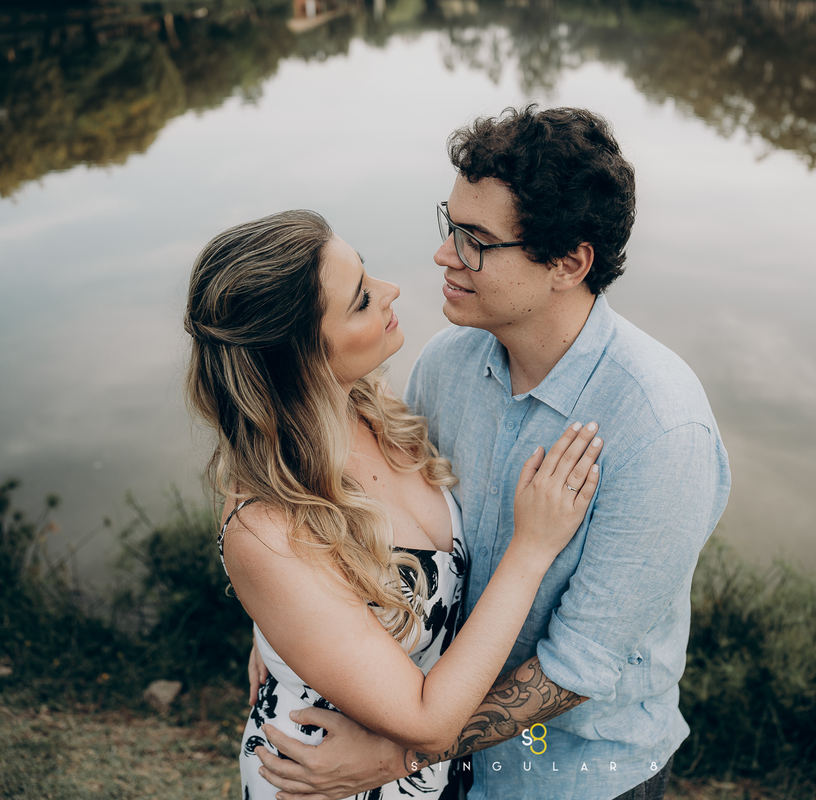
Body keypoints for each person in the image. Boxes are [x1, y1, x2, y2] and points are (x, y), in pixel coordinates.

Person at [251, 106, 732, 800]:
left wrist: (397, 755)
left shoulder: (662, 430)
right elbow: (373, 513)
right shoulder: (446, 363)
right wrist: (285, 623)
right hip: (444, 763)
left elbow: (577, 666)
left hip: (576, 778)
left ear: (568, 263)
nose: (445, 256)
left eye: (475, 240)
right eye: (450, 226)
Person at [183, 208, 605, 800]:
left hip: (428, 774)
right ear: (298, 358)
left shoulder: (370, 406)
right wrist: (531, 549)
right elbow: (427, 719)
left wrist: (279, 632)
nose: (391, 291)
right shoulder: (266, 528)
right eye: (360, 300)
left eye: (369, 274)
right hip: (330, 781)